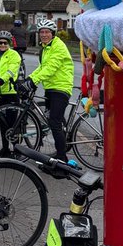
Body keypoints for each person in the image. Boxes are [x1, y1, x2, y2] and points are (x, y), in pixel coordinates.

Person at [28, 17, 75, 162]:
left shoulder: (58, 46)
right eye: (41, 32)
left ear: (52, 33)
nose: (44, 34)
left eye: (47, 32)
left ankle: (62, 158)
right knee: (52, 120)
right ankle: (59, 151)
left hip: (60, 88)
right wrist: (29, 79)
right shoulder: (45, 48)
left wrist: (34, 80)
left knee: (55, 123)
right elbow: (42, 68)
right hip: (50, 88)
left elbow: (51, 67)